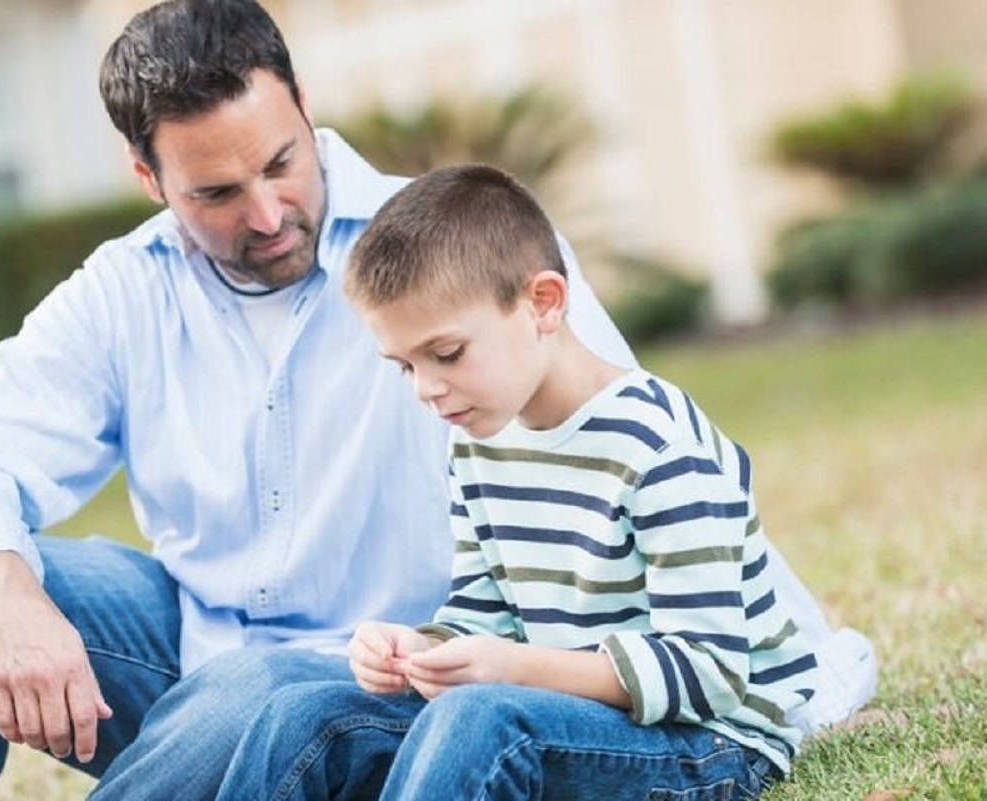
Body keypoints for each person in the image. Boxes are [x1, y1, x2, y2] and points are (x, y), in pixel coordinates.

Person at [0, 1, 872, 799]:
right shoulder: (123, 294)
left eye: (281, 163)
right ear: (148, 178)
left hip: (385, 689)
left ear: (305, 107)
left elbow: (622, 448)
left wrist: (794, 673)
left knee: (265, 693)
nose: (269, 212)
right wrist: (6, 596)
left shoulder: (456, 262)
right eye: (216, 194)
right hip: (198, 659)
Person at [215, 163, 819, 800]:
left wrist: (518, 671)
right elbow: (488, 607)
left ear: (544, 304)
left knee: (481, 719)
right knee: (305, 715)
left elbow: (709, 671)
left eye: (446, 355)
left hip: (709, 744)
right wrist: (419, 647)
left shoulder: (656, 444)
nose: (426, 388)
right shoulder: (478, 439)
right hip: (561, 715)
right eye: (404, 366)